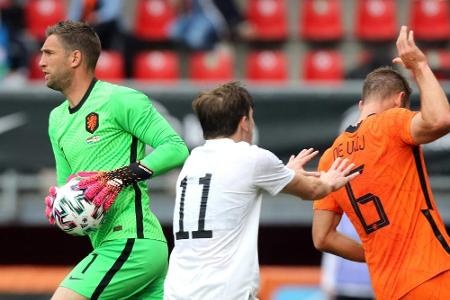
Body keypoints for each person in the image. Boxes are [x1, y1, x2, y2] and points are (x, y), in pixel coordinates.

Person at [164, 81, 359, 300]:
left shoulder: (194, 160)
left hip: (178, 291)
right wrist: (332, 177)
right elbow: (313, 190)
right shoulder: (250, 157)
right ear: (245, 122)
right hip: (223, 293)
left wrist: (286, 173)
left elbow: (236, 188)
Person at [41, 20, 189, 300]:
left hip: (133, 241)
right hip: (107, 244)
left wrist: (117, 178)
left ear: (75, 58)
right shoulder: (56, 119)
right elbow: (71, 191)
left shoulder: (121, 100)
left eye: (49, 53)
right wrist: (62, 210)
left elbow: (176, 147)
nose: (40, 62)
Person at [312, 26, 450, 300]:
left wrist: (377, 255)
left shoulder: (329, 158)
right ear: (400, 101)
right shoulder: (391, 121)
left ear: (362, 103)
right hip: (431, 273)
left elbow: (322, 238)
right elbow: (441, 119)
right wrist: (420, 66)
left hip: (387, 286)